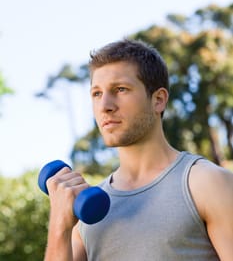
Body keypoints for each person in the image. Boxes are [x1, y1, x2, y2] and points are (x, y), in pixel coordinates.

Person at [43, 38, 233, 261]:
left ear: (158, 100)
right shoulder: (85, 215)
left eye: (120, 89)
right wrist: (59, 227)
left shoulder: (208, 183)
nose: (105, 106)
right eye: (97, 94)